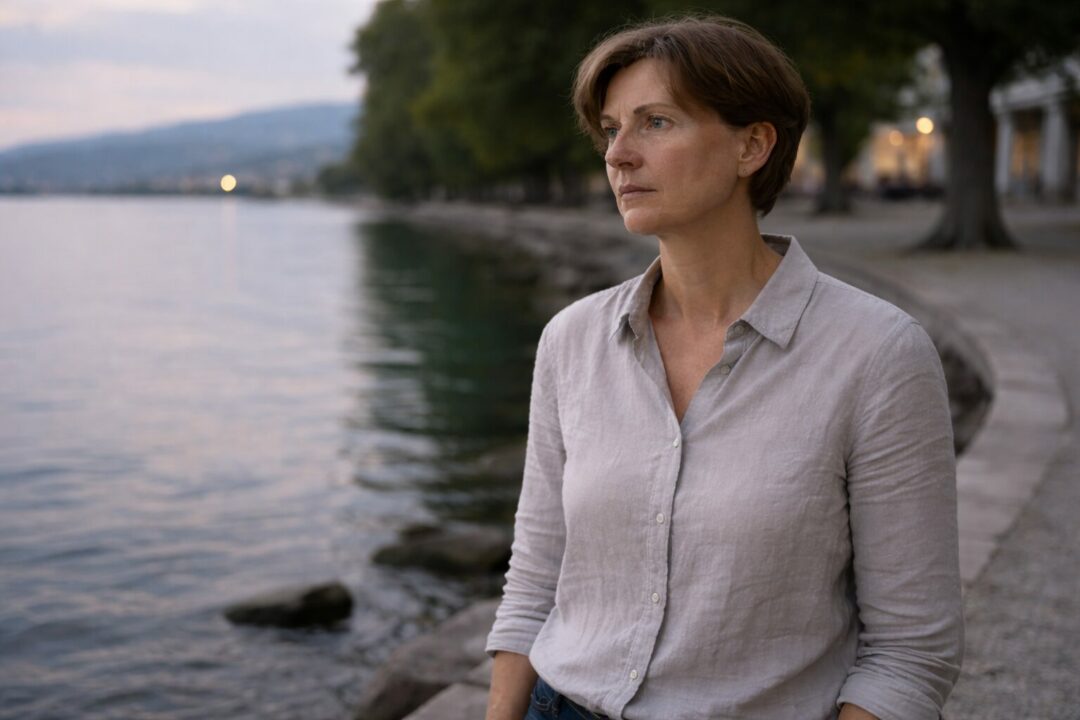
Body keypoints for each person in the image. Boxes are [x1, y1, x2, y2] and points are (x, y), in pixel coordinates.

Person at [485, 15, 963, 720]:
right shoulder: (572, 340)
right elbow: (534, 581)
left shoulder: (877, 354)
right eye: (612, 129)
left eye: (655, 123)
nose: (618, 155)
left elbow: (910, 651)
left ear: (752, 144)